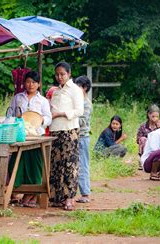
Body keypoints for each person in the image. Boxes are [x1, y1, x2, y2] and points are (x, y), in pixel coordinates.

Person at [6, 71, 52, 207]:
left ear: (38, 84)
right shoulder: (17, 98)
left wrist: (41, 119)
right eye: (28, 82)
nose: (30, 85)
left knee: (35, 165)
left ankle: (32, 194)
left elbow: (49, 118)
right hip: (19, 135)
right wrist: (15, 119)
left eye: (34, 82)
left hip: (37, 136)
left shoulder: (42, 100)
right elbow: (9, 113)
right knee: (16, 163)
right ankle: (16, 191)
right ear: (24, 83)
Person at [49, 62, 84, 211]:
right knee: (56, 165)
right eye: (57, 74)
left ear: (69, 74)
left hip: (70, 130)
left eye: (62, 74)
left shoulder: (75, 90)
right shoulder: (56, 91)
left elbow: (79, 111)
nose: (59, 77)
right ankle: (57, 197)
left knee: (70, 164)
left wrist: (61, 114)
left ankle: (70, 197)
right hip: (55, 130)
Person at [73, 76, 92, 204]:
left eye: (78, 86)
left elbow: (82, 121)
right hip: (75, 136)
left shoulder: (86, 104)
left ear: (85, 88)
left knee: (82, 165)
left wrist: (69, 116)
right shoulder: (78, 102)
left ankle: (85, 193)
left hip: (83, 137)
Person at [136, 104, 160, 170]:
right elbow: (138, 139)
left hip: (159, 145)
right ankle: (143, 161)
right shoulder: (143, 125)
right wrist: (148, 140)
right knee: (142, 139)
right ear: (149, 115)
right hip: (147, 147)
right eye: (153, 116)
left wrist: (159, 128)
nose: (155, 118)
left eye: (157, 116)